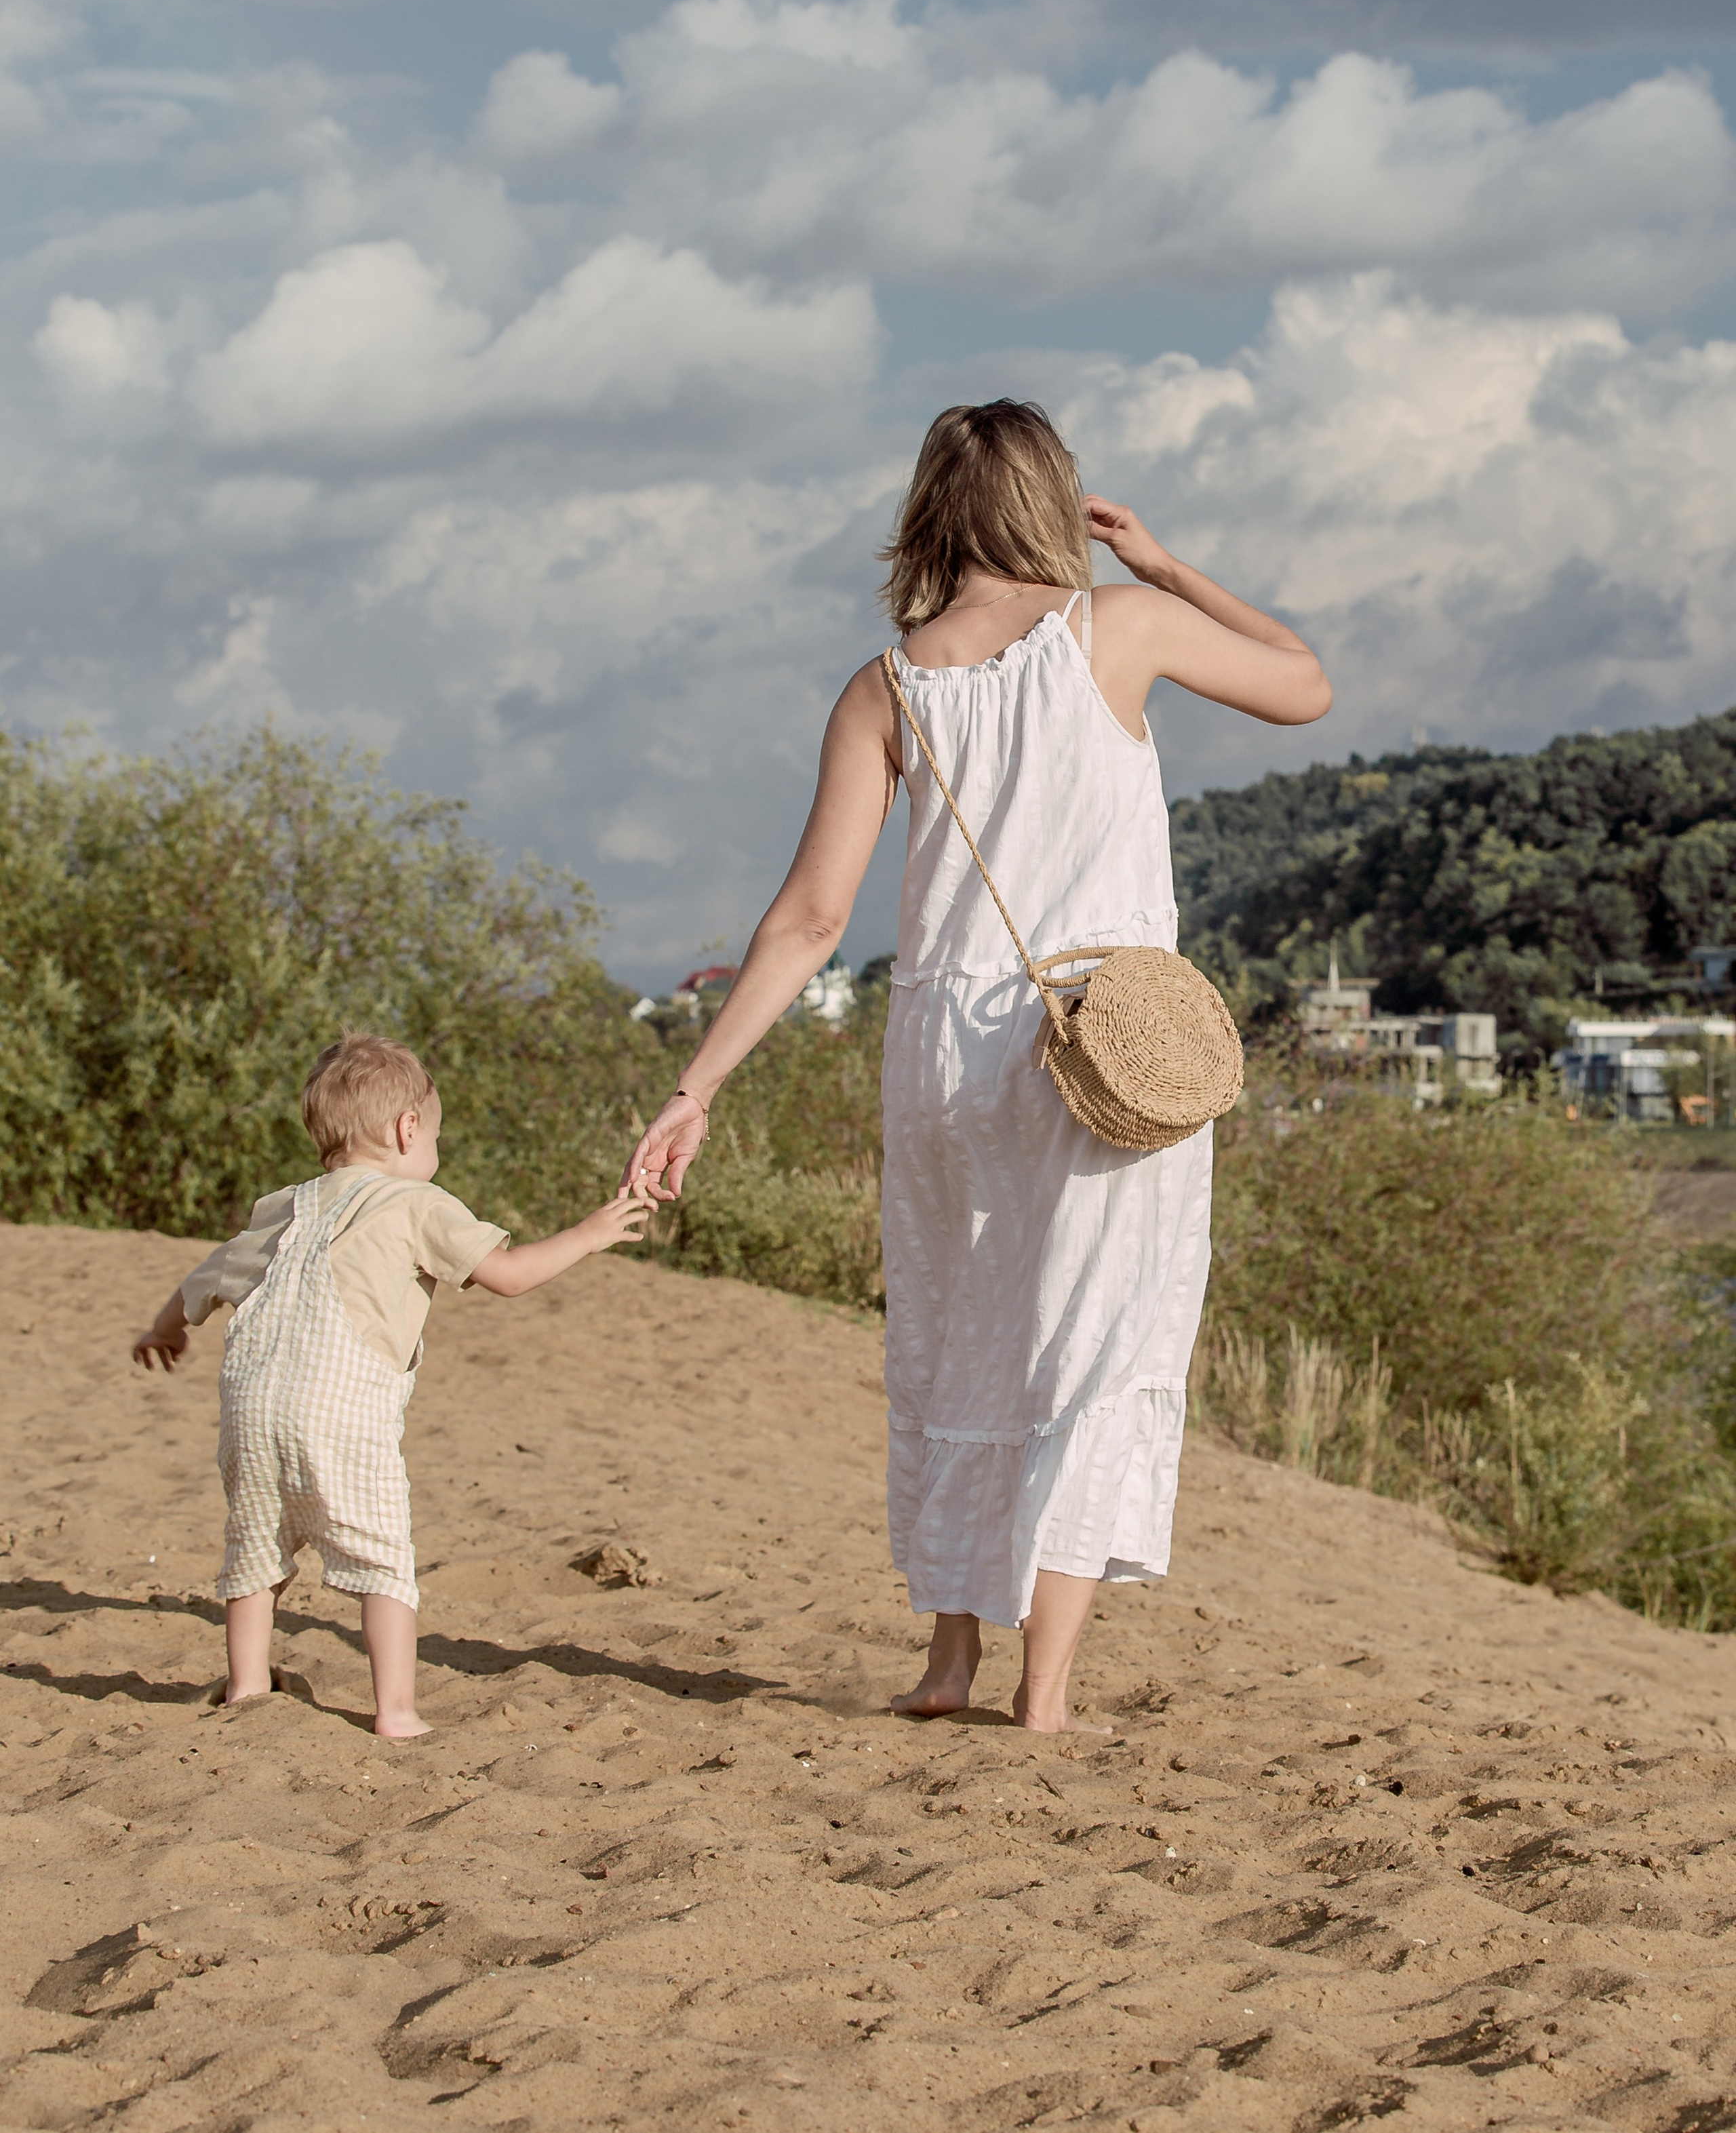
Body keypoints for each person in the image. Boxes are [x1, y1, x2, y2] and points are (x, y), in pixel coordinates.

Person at [622, 401, 1330, 1732]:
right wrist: (1165, 564)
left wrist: (693, 1088)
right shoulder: (1113, 629)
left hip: (947, 1045)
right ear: (1053, 506)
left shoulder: (885, 685)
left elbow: (809, 922)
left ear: (926, 515)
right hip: (1097, 1043)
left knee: (960, 1339)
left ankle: (946, 1662)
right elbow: (1302, 682)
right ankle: (1042, 1690)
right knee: (1093, 1344)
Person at [133, 1031, 652, 1738]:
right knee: (382, 1561)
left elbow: (204, 1278)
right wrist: (588, 1234)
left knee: (256, 1550)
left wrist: (165, 1330)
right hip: (342, 1412)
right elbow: (508, 1276)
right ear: (409, 1128)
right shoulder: (417, 1202)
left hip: (251, 1412)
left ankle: (248, 1686)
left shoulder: (281, 1206)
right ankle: (396, 1711)